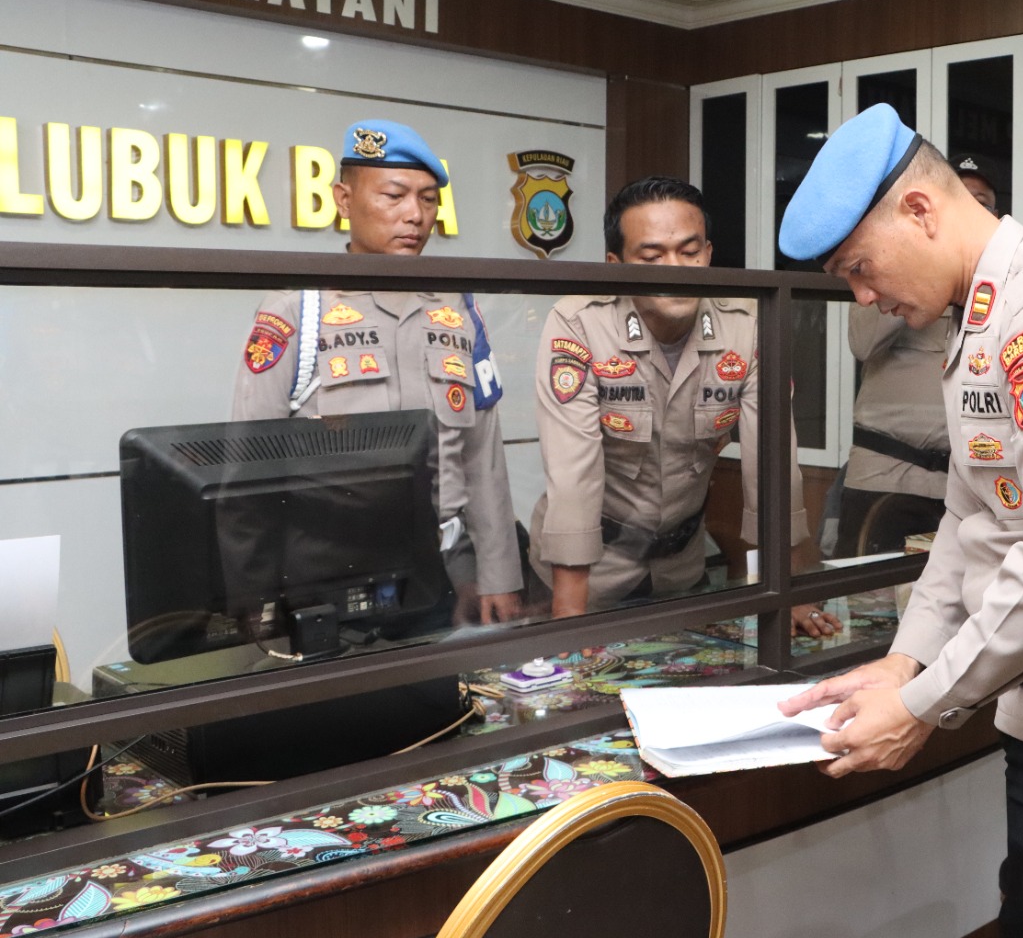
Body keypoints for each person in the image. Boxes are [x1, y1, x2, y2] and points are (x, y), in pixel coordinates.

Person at [776, 104, 1023, 938]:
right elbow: (970, 514)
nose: (862, 296)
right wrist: (906, 659)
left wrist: (922, 705)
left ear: (918, 210)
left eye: (859, 267)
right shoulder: (982, 313)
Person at [232, 120, 523, 626]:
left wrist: (500, 575)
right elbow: (248, 464)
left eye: (428, 200)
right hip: (325, 578)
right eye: (394, 195)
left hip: (440, 574)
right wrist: (251, 592)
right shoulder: (299, 308)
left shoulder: (456, 307)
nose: (415, 215)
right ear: (344, 200)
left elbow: (482, 456)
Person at [526, 176, 839, 638]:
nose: (676, 270)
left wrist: (787, 588)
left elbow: (772, 466)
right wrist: (570, 616)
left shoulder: (747, 325)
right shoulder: (578, 324)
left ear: (708, 254)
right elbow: (574, 475)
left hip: (681, 567)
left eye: (689, 252)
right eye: (652, 257)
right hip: (587, 572)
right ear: (616, 266)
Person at [833, 304, 951, 558]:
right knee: (867, 583)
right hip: (886, 477)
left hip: (963, 486)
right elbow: (863, 341)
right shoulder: (883, 283)